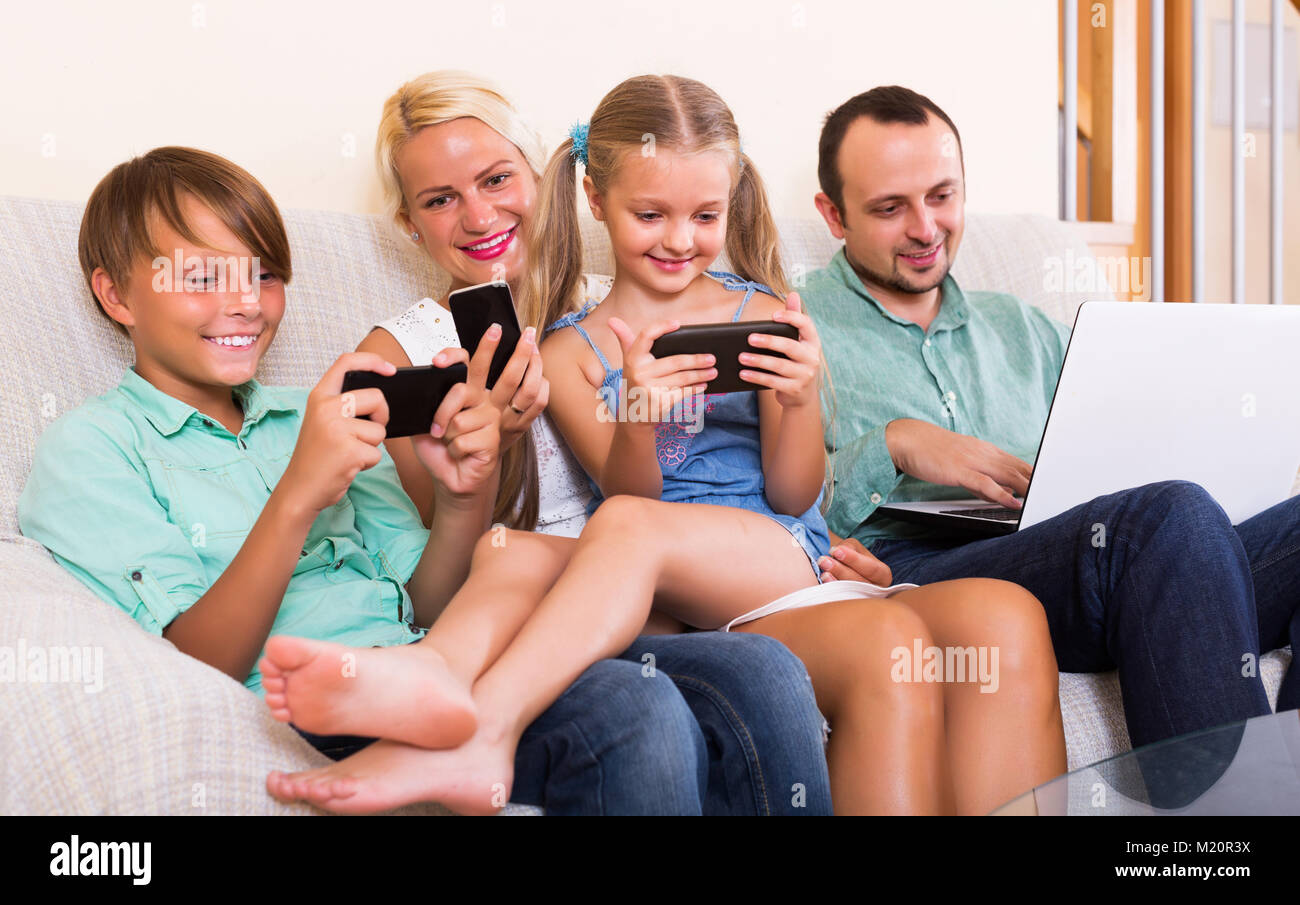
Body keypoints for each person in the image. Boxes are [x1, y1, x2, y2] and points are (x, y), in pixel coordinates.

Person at [301, 71, 1063, 814]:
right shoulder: (571, 350)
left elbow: (798, 492)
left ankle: (483, 722)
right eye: (652, 216)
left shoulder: (758, 304)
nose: (679, 239)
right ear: (597, 201)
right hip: (670, 572)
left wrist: (797, 398)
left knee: (1009, 612)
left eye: (704, 217)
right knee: (514, 550)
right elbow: (627, 499)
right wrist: (640, 415)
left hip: (772, 544)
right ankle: (438, 691)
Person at [16, 146, 826, 816]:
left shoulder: (321, 405)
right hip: (328, 690)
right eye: (200, 278)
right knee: (637, 710)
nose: (244, 303)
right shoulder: (90, 448)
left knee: (762, 669)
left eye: (261, 273)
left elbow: (431, 605)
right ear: (116, 294)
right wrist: (298, 494)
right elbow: (197, 657)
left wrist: (466, 495)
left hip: (430, 663)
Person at [802, 84, 1300, 753]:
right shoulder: (795, 328)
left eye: (943, 196)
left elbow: (1117, 451)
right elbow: (763, 499)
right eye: (890, 208)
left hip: (1080, 552)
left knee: (1183, 519)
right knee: (1170, 520)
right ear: (833, 214)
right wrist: (891, 445)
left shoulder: (1022, 326)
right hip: (916, 570)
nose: (925, 228)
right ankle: (1217, 849)